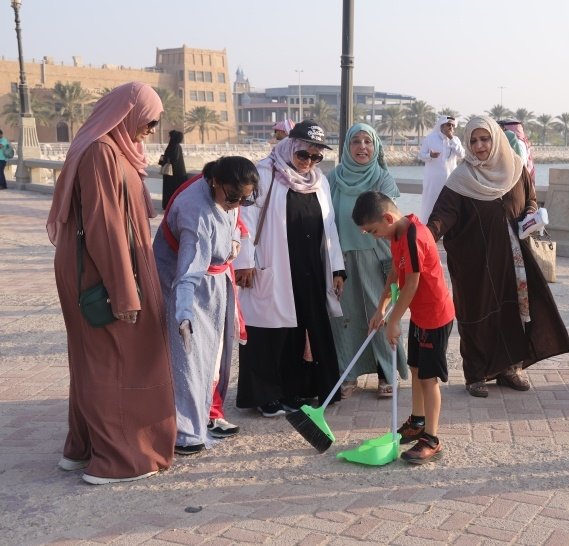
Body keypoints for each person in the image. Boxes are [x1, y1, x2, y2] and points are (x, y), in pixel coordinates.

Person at [45, 81, 176, 485]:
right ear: (126, 113)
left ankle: (84, 447)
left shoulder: (112, 150)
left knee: (96, 357)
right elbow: (104, 225)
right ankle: (120, 457)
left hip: (99, 267)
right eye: (148, 120)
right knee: (119, 358)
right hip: (106, 272)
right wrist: (124, 291)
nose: (151, 130)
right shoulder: (102, 152)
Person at [427, 115, 569, 398]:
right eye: (473, 140)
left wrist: (532, 214)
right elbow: (442, 218)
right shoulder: (461, 180)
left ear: (496, 139)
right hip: (476, 263)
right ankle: (476, 374)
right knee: (477, 313)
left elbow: (530, 199)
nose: (480, 146)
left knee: (515, 311)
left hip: (515, 259)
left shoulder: (516, 169)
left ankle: (510, 368)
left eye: (485, 139)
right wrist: (421, 237)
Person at [233, 120, 345, 416]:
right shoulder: (264, 173)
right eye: (303, 155)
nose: (309, 162)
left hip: (310, 266)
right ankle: (265, 395)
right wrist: (243, 262)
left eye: (316, 156)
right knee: (269, 331)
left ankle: (299, 390)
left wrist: (336, 268)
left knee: (305, 327)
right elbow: (243, 220)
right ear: (289, 148)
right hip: (272, 265)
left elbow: (330, 227)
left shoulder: (320, 181)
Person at [153, 156, 259, 455]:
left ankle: (208, 415)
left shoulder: (226, 195)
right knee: (189, 356)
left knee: (217, 352)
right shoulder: (195, 213)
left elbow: (234, 224)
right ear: (215, 182)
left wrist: (234, 240)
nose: (237, 204)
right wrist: (183, 314)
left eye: (244, 199)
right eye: (233, 197)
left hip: (217, 279)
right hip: (185, 284)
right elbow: (187, 274)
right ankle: (186, 432)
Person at [353, 191, 455, 464]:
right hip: (421, 315)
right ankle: (418, 422)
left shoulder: (413, 236)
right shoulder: (396, 234)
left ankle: (432, 439)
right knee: (416, 368)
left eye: (373, 231)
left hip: (435, 316)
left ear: (387, 217)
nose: (375, 236)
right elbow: (395, 275)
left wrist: (395, 320)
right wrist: (381, 308)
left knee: (428, 377)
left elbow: (411, 283)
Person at [328, 123, 408, 399]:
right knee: (345, 317)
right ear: (347, 147)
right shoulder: (334, 179)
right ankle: (348, 373)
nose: (362, 147)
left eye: (368, 142)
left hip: (379, 257)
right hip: (344, 258)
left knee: (381, 313)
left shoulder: (383, 178)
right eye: (356, 142)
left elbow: (391, 217)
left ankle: (387, 373)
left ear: (376, 147)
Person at [418, 115, 464, 223]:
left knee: (450, 205)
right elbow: (421, 155)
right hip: (433, 180)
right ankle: (426, 228)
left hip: (450, 180)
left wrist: (451, 138)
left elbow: (462, 154)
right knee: (430, 204)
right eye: (449, 125)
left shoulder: (455, 140)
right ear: (442, 125)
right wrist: (430, 155)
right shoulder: (430, 139)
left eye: (453, 125)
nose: (451, 127)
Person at [159, 130, 188, 210]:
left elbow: (164, 159)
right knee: (176, 190)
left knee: (168, 191)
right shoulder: (177, 146)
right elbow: (175, 159)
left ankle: (167, 205)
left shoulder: (170, 146)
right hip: (176, 174)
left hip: (168, 174)